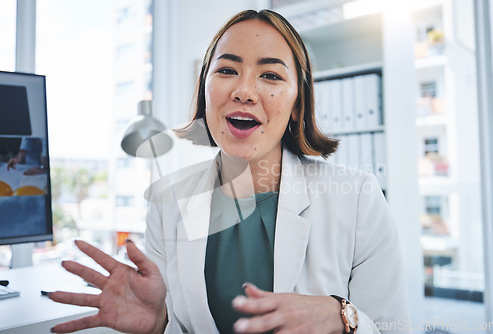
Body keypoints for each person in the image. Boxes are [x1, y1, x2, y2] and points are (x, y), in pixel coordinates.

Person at [49, 9, 410, 334]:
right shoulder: (167, 200)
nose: (244, 91)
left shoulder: (358, 197)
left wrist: (343, 318)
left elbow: (392, 328)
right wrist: (158, 325)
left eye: (270, 75)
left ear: (298, 104)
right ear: (205, 91)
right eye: (226, 70)